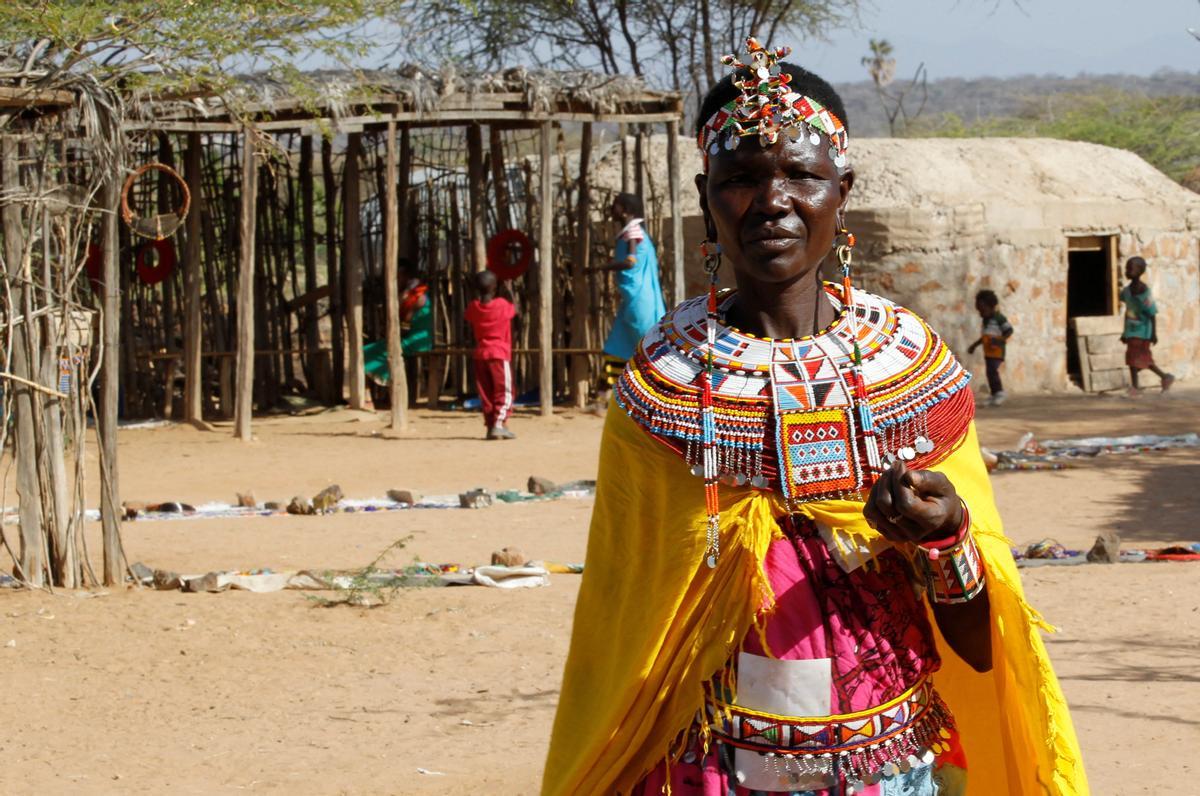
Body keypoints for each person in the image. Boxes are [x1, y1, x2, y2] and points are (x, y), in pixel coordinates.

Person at [543, 40, 1086, 796]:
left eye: (802, 174)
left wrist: (944, 538)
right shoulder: (664, 392)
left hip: (892, 767)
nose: (772, 202)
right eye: (741, 180)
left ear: (843, 191)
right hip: (720, 771)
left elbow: (980, 647)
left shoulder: (910, 374)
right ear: (708, 198)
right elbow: (628, 628)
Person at [587, 192, 667, 400]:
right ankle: (603, 396)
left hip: (639, 301)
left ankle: (657, 393)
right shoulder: (630, 232)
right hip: (633, 299)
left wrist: (599, 268)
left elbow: (631, 261)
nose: (612, 209)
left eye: (616, 206)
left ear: (626, 210)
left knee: (647, 347)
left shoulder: (633, 230)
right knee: (617, 346)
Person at [465, 269, 517, 440]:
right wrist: (508, 290)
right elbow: (514, 310)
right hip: (499, 354)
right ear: (495, 287)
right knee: (504, 391)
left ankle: (491, 425)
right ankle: (499, 424)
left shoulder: (474, 307)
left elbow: (469, 315)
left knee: (486, 393)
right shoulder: (502, 304)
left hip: (480, 354)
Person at [1119, 256, 1175, 395]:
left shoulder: (1145, 292)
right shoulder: (1126, 292)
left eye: (1130, 268)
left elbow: (1152, 314)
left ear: (1140, 271)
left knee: (1138, 359)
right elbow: (1128, 312)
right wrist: (1124, 332)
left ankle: (1138, 387)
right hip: (1131, 330)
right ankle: (1162, 378)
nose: (1127, 271)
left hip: (1143, 331)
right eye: (1127, 268)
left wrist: (1153, 334)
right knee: (1135, 359)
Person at [966, 290, 1013, 406]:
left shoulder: (999, 318)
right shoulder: (986, 321)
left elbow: (1009, 330)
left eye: (982, 310)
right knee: (989, 372)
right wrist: (974, 345)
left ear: (990, 306)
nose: (980, 313)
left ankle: (1000, 392)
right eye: (978, 310)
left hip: (997, 351)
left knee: (992, 371)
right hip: (988, 352)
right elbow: (984, 337)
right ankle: (994, 394)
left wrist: (999, 341)